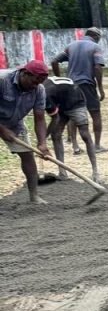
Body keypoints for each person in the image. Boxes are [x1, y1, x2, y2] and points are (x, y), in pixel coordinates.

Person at [0, 60, 52, 204]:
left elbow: (40, 118)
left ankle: (34, 196)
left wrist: (42, 144)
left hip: (14, 123)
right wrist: (2, 129)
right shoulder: (3, 80)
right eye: (34, 81)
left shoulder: (39, 90)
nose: (36, 86)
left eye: (39, 83)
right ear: (25, 73)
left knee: (28, 156)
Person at [51, 27, 108, 151]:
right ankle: (97, 145)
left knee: (73, 113)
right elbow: (98, 67)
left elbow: (54, 61)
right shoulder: (95, 47)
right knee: (95, 113)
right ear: (96, 37)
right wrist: (100, 87)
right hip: (86, 83)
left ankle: (75, 146)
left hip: (71, 85)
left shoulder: (71, 46)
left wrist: (59, 79)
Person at [45, 76, 100, 183]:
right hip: (60, 103)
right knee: (56, 135)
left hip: (76, 101)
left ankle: (95, 172)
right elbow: (53, 116)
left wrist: (43, 138)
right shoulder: (42, 90)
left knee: (85, 135)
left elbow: (54, 118)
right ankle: (62, 172)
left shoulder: (44, 93)